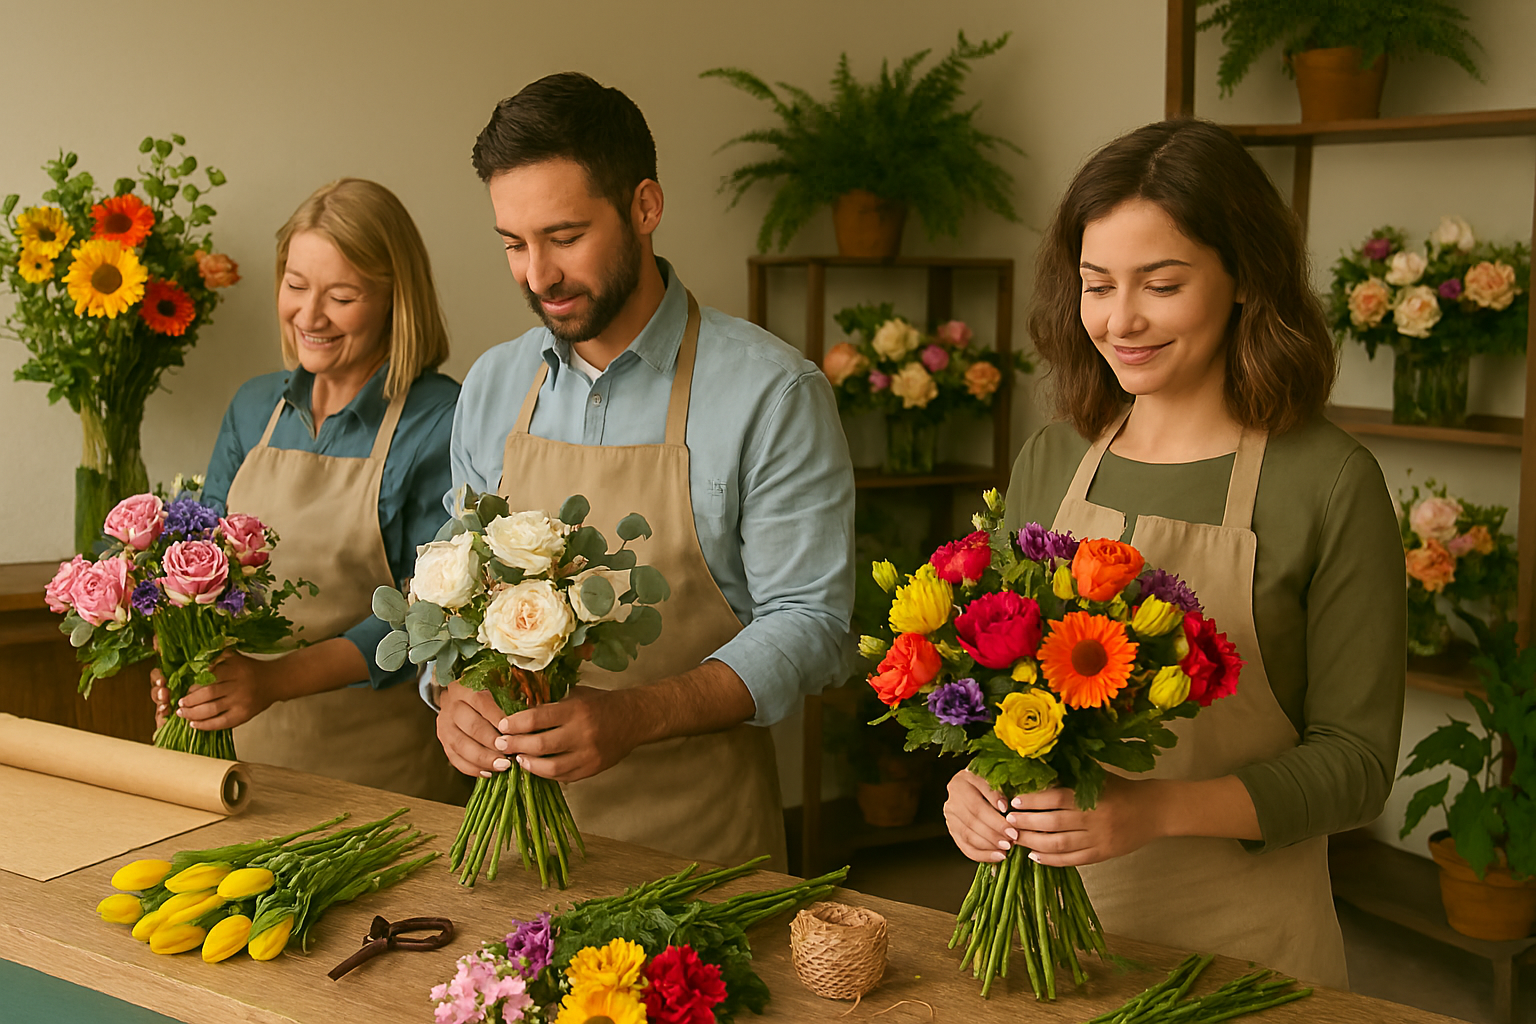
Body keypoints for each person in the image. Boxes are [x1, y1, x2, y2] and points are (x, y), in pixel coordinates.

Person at [942, 119, 1405, 988]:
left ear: (1243, 279)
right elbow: (1003, 688)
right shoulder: (1054, 455)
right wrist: (975, 782)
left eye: (1161, 284)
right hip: (1045, 951)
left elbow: (1357, 763)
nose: (1121, 321)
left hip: (1243, 952)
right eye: (1095, 285)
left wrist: (1153, 811)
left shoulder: (1330, 482)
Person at [432, 73, 856, 871]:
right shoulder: (492, 384)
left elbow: (813, 622)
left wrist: (636, 716)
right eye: (513, 245)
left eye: (563, 237)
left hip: (700, 849)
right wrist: (446, 693)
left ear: (645, 208)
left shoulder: (772, 392)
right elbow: (450, 588)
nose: (537, 276)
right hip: (512, 845)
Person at [152, 178, 467, 803]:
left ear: (393, 301)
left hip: (378, 775)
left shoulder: (440, 420)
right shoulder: (254, 407)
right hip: (237, 762)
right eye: (295, 286)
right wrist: (182, 667)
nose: (310, 315)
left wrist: (271, 681)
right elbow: (198, 572)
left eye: (342, 296)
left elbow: (426, 618)